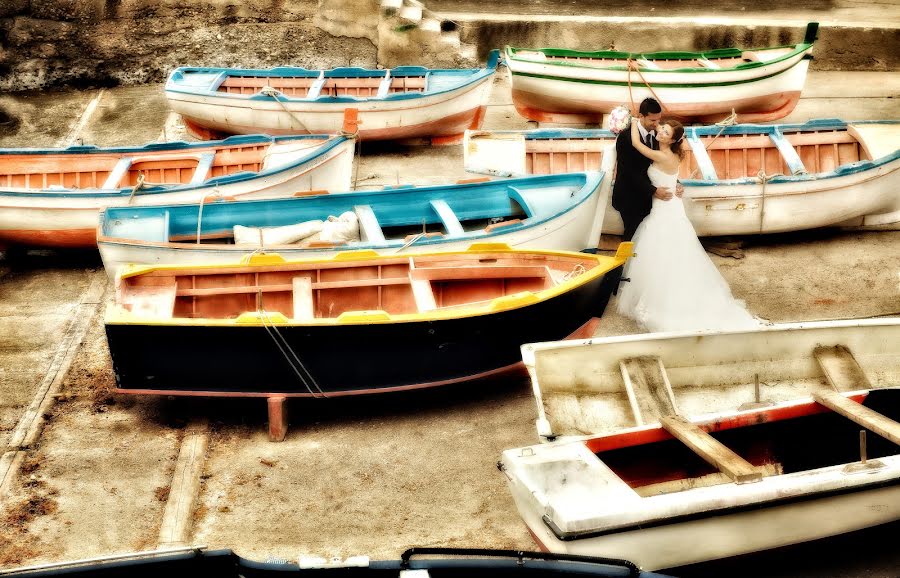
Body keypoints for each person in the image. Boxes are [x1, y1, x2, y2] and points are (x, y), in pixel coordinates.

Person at [616, 116, 761, 333]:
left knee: (663, 253)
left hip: (664, 209)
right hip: (668, 205)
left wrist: (633, 121)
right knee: (667, 252)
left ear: (673, 141)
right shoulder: (669, 154)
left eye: (665, 132)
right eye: (661, 128)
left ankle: (666, 300)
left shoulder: (663, 155)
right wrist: (676, 184)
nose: (660, 132)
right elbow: (668, 177)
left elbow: (636, 144)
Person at [611, 98, 681, 242]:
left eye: (659, 120)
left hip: (651, 198)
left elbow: (664, 165)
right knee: (632, 236)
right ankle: (624, 264)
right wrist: (654, 191)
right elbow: (629, 172)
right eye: (652, 120)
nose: (656, 124)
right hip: (630, 197)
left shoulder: (658, 137)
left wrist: (676, 183)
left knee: (649, 239)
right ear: (641, 116)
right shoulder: (626, 137)